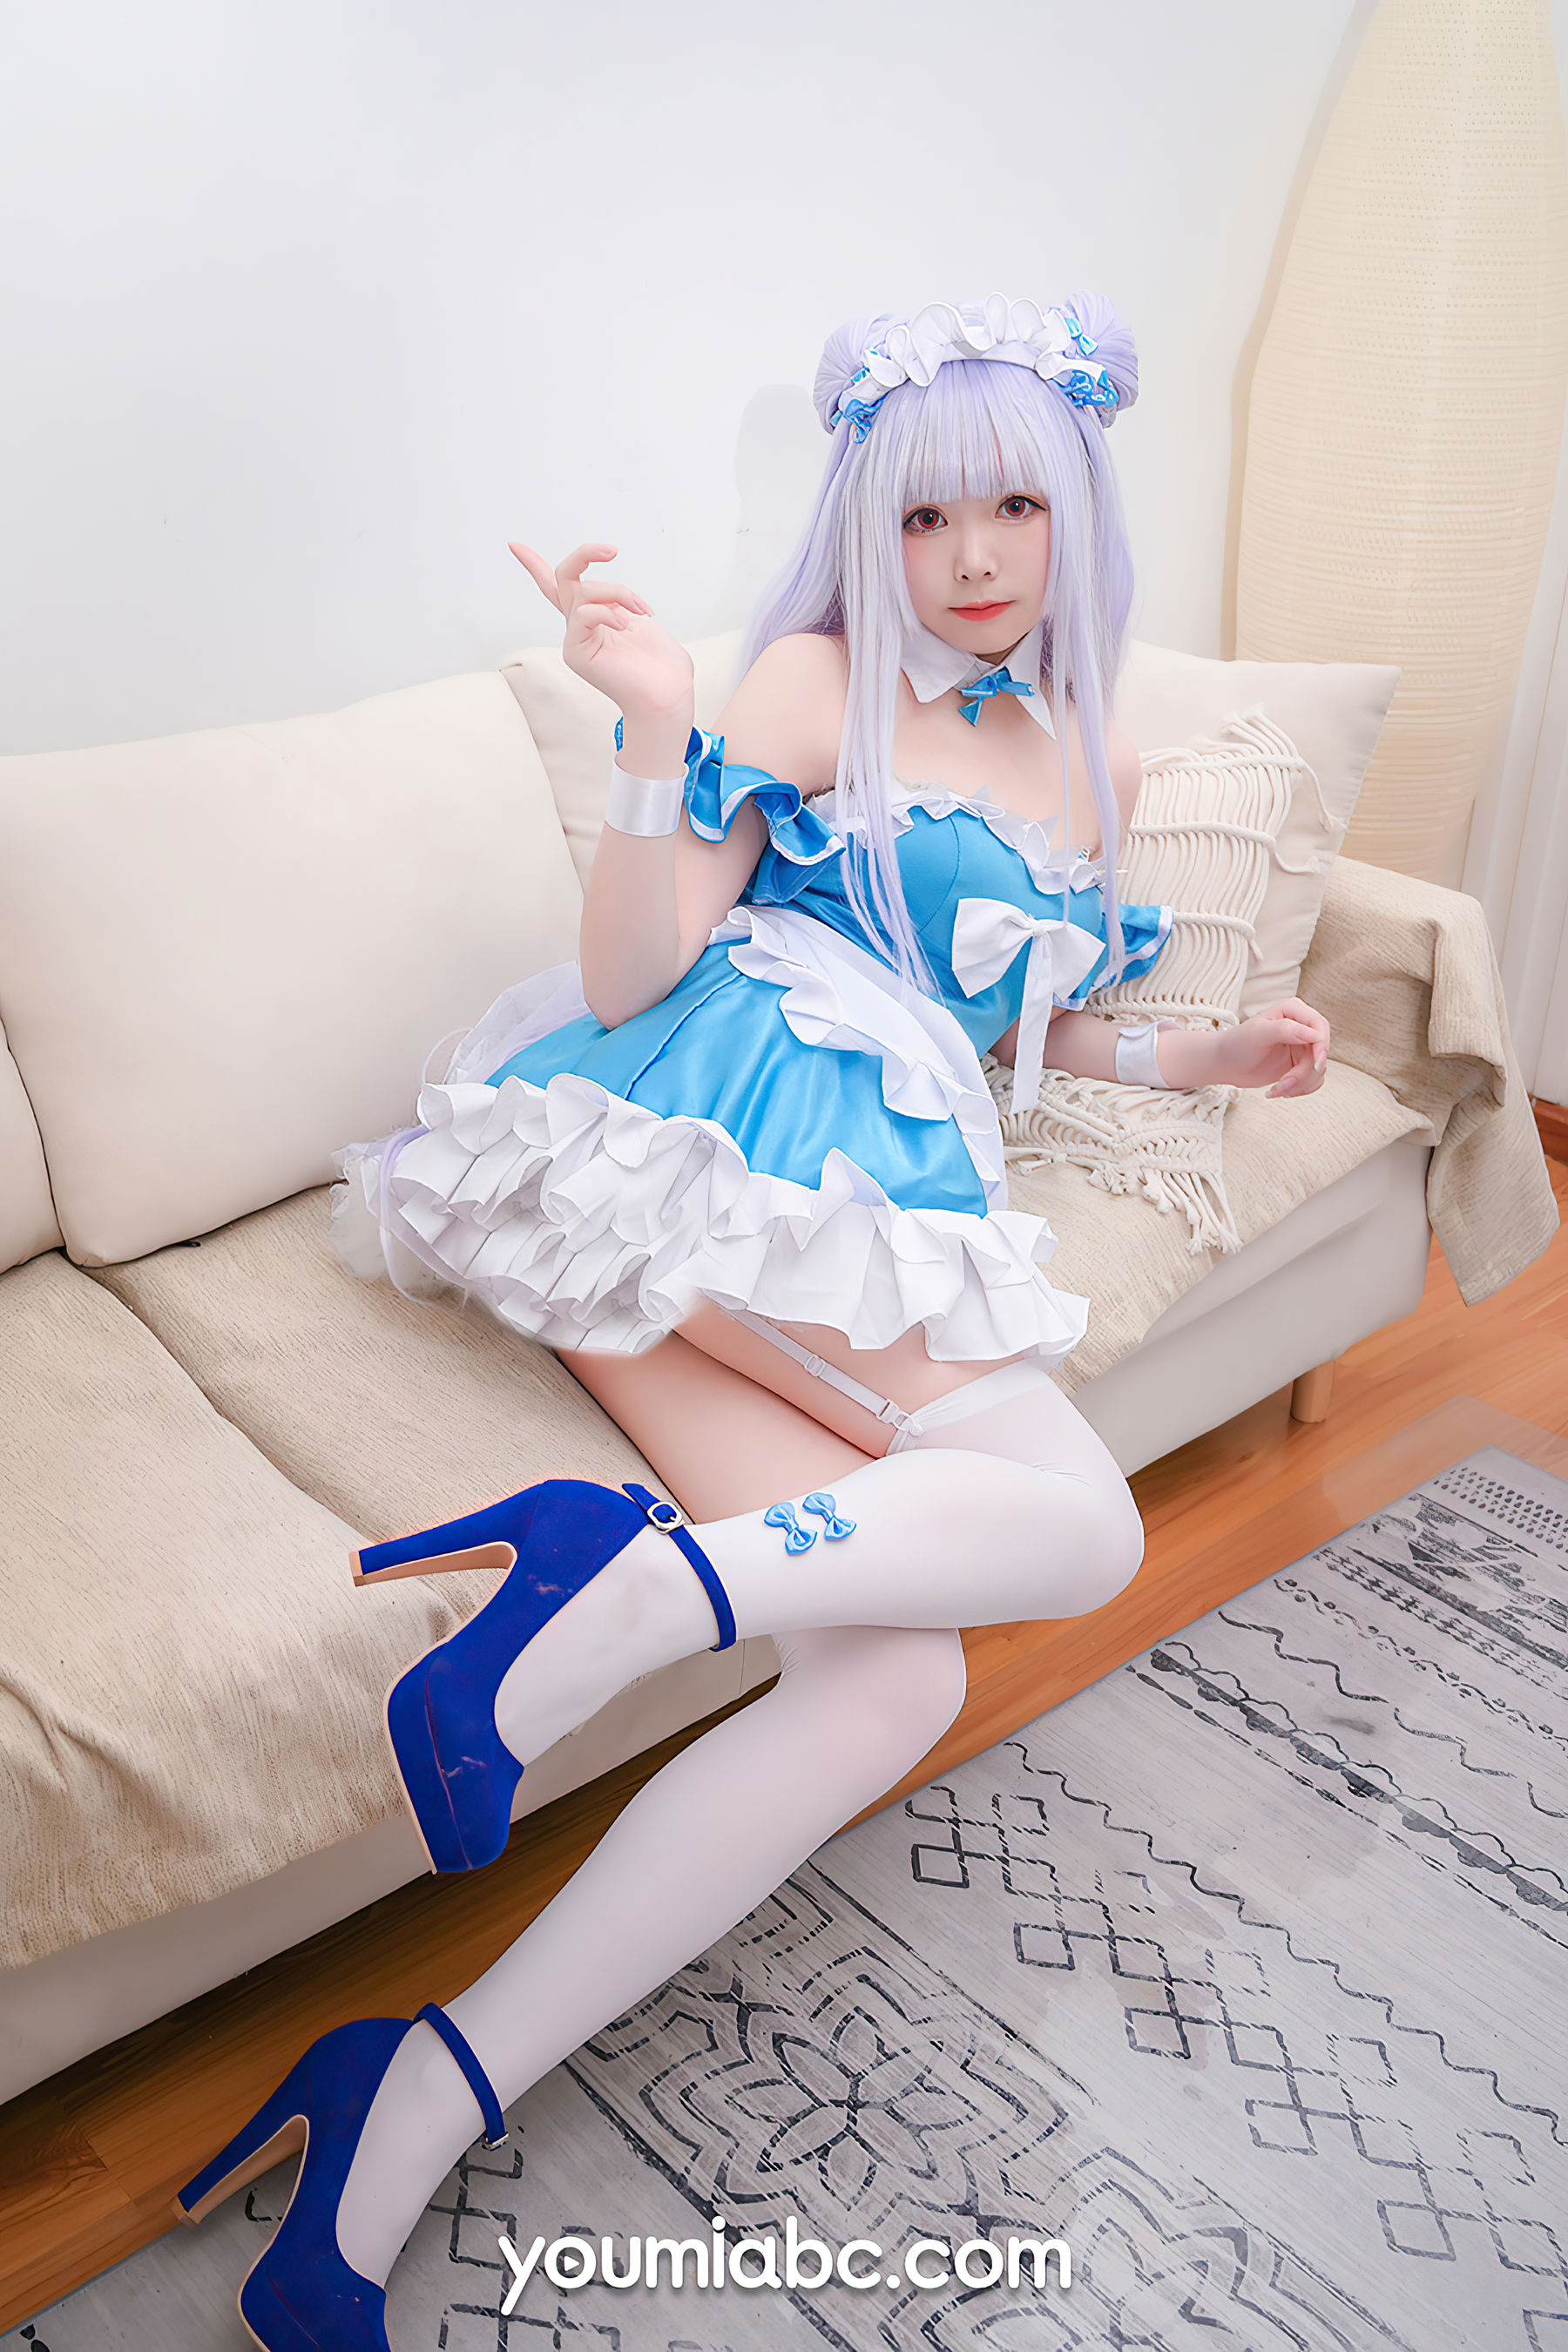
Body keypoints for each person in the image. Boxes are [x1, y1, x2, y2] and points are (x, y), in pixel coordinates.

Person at [174, 293, 1329, 2347]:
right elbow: (635, 980)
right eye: (924, 516)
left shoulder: (1100, 750)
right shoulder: (814, 681)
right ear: (867, 527)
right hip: (711, 1138)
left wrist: (1199, 1059)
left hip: (849, 1209)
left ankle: (408, 2099)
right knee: (1085, 1521)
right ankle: (618, 1599)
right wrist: (648, 729)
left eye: (1012, 509)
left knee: (886, 1687)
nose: (970, 557)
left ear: (1078, 509)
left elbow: (1025, 1027)